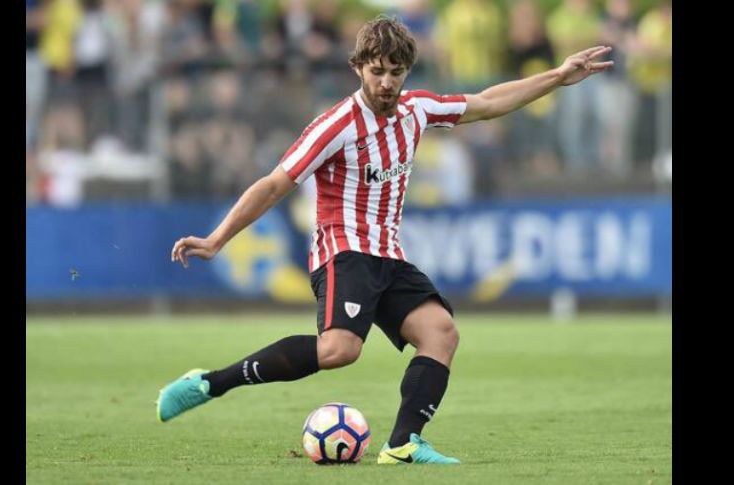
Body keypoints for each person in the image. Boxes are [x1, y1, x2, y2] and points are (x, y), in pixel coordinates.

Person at [157, 15, 612, 465]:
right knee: (340, 350)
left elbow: (488, 102)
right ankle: (210, 383)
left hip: (388, 255)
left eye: (396, 72)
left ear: (407, 71)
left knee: (440, 332)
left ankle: (403, 444)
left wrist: (557, 76)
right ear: (358, 67)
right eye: (377, 71)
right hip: (343, 251)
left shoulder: (418, 109)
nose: (386, 82)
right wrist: (217, 239)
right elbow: (275, 184)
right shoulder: (335, 125)